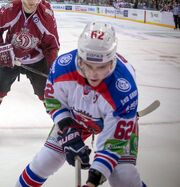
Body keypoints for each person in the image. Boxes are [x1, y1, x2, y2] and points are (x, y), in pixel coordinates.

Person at [15, 21, 147, 187]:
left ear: (112, 62)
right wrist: (68, 129)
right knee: (44, 161)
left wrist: (92, 182)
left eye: (101, 67)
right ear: (79, 58)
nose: (93, 74)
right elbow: (52, 100)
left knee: (123, 177)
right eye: (88, 65)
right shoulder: (62, 67)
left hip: (115, 124)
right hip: (75, 118)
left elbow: (112, 145)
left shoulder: (124, 89)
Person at [0, 0, 60, 105]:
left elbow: (52, 46)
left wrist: (52, 70)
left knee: (48, 94)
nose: (31, 2)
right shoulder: (10, 9)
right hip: (10, 58)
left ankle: (60, 119)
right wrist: (2, 49)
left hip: (37, 60)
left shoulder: (46, 16)